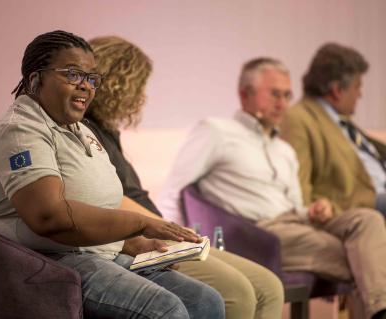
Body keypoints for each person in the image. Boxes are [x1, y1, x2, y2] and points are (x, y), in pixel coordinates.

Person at [0, 30, 225, 319]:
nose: (86, 87)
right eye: (72, 74)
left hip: (93, 253)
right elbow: (49, 218)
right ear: (35, 79)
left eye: (91, 78)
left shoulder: (79, 130)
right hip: (46, 262)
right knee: (165, 310)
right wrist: (140, 224)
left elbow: (93, 209)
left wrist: (138, 245)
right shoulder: (20, 132)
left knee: (205, 301)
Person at [158, 57, 386, 319]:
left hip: (299, 224)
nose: (283, 104)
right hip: (261, 233)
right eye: (275, 94)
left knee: (368, 219)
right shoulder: (216, 132)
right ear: (245, 94)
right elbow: (174, 190)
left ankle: (380, 308)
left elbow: (296, 205)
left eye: (288, 95)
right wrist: (174, 245)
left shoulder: (284, 149)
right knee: (368, 255)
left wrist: (314, 210)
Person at [82, 35, 284, 319]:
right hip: (140, 239)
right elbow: (111, 200)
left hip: (159, 231)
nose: (143, 97)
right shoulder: (83, 130)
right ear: (120, 84)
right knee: (238, 291)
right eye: (140, 87)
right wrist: (168, 228)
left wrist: (176, 231)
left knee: (269, 286)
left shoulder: (106, 130)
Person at [280, 43, 386, 218]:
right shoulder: (298, 119)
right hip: (360, 206)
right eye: (357, 87)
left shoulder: (343, 122)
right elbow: (300, 187)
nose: (360, 94)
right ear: (337, 90)